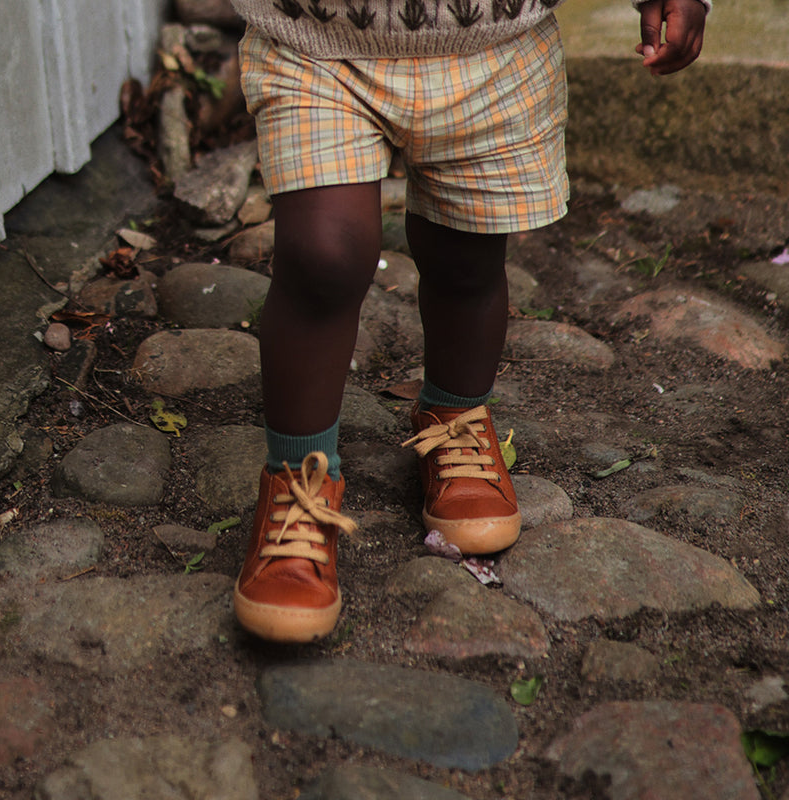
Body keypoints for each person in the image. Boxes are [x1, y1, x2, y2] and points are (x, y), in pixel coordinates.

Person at [229, 0, 710, 643]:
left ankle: (453, 418)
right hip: (316, 42)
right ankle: (297, 482)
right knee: (323, 257)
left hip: (492, 46)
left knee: (468, 256)